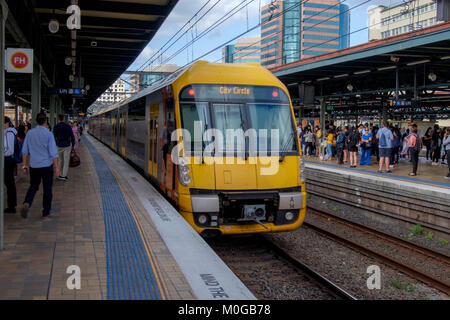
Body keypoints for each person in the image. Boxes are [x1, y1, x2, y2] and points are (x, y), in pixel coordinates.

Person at [20, 113, 60, 219]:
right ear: (46, 122)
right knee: (47, 189)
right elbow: (53, 153)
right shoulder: (48, 134)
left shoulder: (29, 133)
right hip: (47, 166)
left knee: (33, 186)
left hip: (34, 166)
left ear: (36, 121)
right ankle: (46, 212)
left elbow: (24, 151)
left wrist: (24, 164)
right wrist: (57, 168)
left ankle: (27, 202)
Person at [53, 114, 76, 181]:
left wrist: (55, 144)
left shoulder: (56, 126)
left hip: (59, 145)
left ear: (58, 119)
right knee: (66, 161)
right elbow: (72, 136)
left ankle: (59, 174)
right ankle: (64, 175)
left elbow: (53, 136)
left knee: (60, 160)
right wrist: (73, 145)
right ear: (63, 118)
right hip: (67, 145)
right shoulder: (68, 126)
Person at [3, 117, 18, 213]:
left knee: (9, 182)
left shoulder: (9, 133)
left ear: (7, 123)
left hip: (7, 160)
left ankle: (11, 206)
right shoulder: (9, 132)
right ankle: (12, 205)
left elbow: (9, 150)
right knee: (9, 182)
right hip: (8, 160)